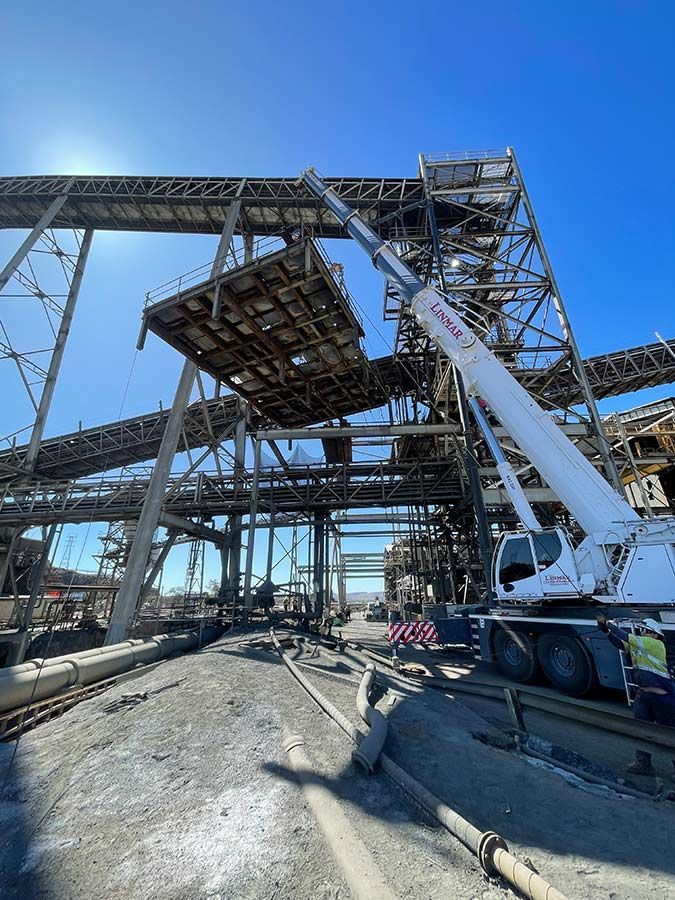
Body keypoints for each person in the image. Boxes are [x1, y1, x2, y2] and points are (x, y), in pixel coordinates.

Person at [598, 614, 675, 775]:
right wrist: (605, 632)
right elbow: (620, 643)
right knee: (641, 731)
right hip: (644, 695)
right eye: (642, 630)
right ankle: (643, 763)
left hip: (662, 698)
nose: (643, 633)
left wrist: (609, 624)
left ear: (655, 634)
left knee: (668, 735)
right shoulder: (640, 645)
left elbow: (625, 636)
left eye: (646, 631)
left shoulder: (655, 644)